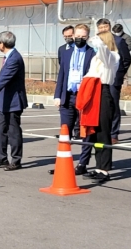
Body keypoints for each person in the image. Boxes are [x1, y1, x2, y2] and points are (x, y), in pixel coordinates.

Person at [51, 23, 94, 175]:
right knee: (65, 130)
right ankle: (63, 163)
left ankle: (83, 163)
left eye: (83, 37)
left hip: (85, 97)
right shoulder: (66, 53)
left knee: (86, 131)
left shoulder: (92, 53)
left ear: (87, 37)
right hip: (68, 95)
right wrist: (57, 95)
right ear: (73, 35)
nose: (80, 39)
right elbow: (61, 75)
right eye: (78, 36)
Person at [0, 31, 28, 171]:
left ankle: (16, 160)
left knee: (13, 132)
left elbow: (3, 80)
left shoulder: (14, 58)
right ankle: (1, 158)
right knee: (0, 130)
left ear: (2, 44)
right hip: (3, 101)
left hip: (13, 102)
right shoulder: (9, 57)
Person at [79, 31, 119, 184]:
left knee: (103, 132)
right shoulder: (97, 57)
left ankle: (105, 169)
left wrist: (100, 44)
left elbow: (105, 54)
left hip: (103, 92)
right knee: (95, 132)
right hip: (93, 92)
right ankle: (98, 166)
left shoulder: (113, 56)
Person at [97, 18, 131, 144]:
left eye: (105, 27)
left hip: (113, 78)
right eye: (100, 28)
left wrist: (119, 73)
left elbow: (127, 59)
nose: (103, 29)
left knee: (113, 104)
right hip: (99, 78)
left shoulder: (118, 41)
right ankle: (101, 131)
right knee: (101, 105)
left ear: (109, 27)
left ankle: (113, 133)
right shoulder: (96, 41)